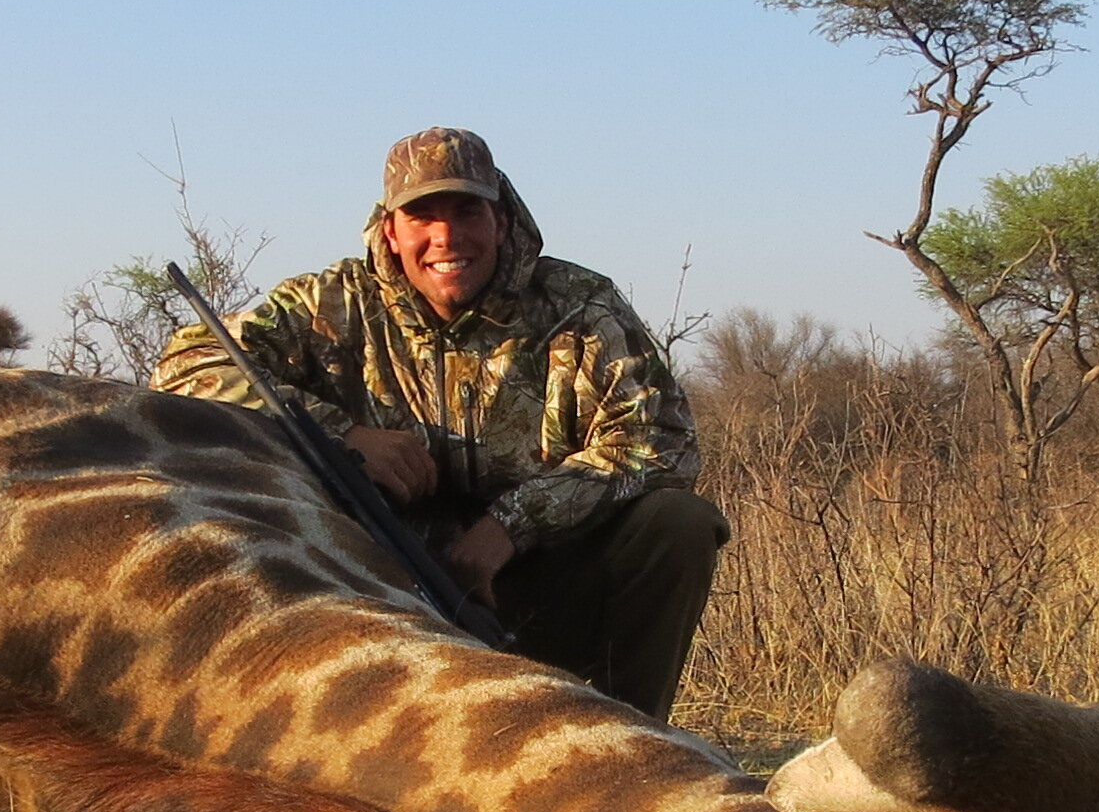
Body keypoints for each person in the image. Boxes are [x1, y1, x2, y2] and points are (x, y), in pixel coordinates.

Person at [155, 127, 726, 723]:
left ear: (500, 221)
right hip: (382, 593)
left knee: (679, 523)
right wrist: (340, 437)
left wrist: (510, 525)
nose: (445, 236)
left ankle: (633, 743)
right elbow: (186, 363)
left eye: (466, 211)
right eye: (422, 216)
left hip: (540, 585)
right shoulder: (331, 303)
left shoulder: (579, 304)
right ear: (390, 230)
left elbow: (663, 440)